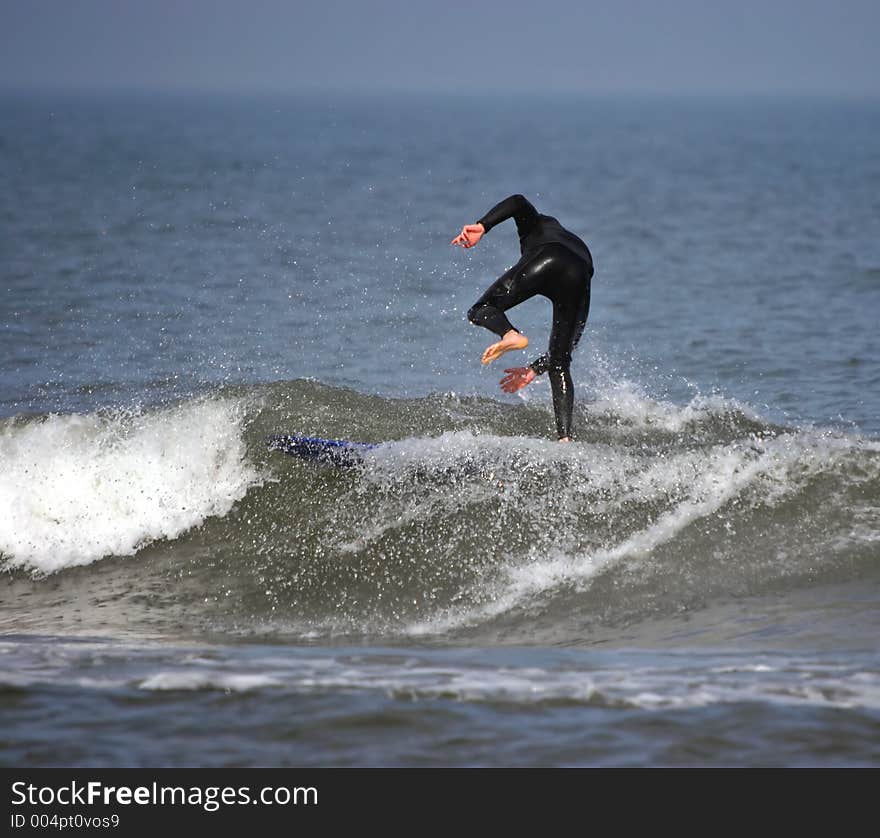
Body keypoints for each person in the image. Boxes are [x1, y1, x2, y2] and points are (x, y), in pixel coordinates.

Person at [451, 194, 593, 442]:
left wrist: (483, 225)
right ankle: (565, 440)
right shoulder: (573, 244)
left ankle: (510, 334)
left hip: (548, 257)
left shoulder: (538, 225)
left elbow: (517, 201)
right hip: (580, 277)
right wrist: (533, 370)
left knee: (480, 309)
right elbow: (567, 348)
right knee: (560, 364)